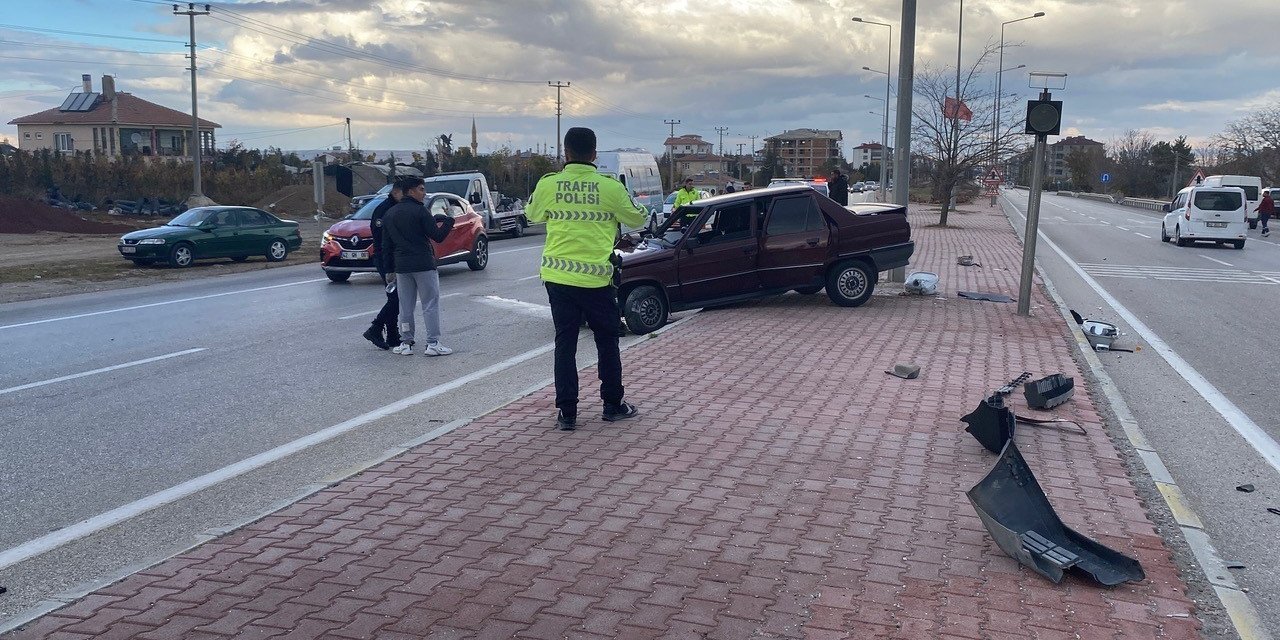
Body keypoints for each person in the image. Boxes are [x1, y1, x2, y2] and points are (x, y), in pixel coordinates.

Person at [527, 127, 647, 431]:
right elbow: (637, 218)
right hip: (596, 281)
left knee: (565, 343)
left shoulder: (549, 184)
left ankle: (567, 413)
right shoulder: (609, 187)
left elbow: (532, 214)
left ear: (565, 153)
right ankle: (612, 404)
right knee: (607, 341)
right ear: (594, 154)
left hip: (558, 279)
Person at [382, 176, 455, 356]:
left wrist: (388, 269)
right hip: (423, 263)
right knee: (430, 303)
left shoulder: (390, 213)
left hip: (401, 266)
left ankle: (406, 342)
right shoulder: (420, 211)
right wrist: (449, 220)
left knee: (405, 306)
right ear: (411, 191)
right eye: (421, 189)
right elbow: (437, 236)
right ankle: (433, 343)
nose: (424, 193)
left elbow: (386, 245)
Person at [363, 184, 403, 350]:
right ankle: (376, 328)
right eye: (403, 192)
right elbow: (381, 240)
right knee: (395, 297)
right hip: (386, 260)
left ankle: (393, 335)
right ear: (395, 192)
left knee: (396, 298)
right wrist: (389, 267)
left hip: (395, 258)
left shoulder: (396, 207)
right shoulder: (384, 209)